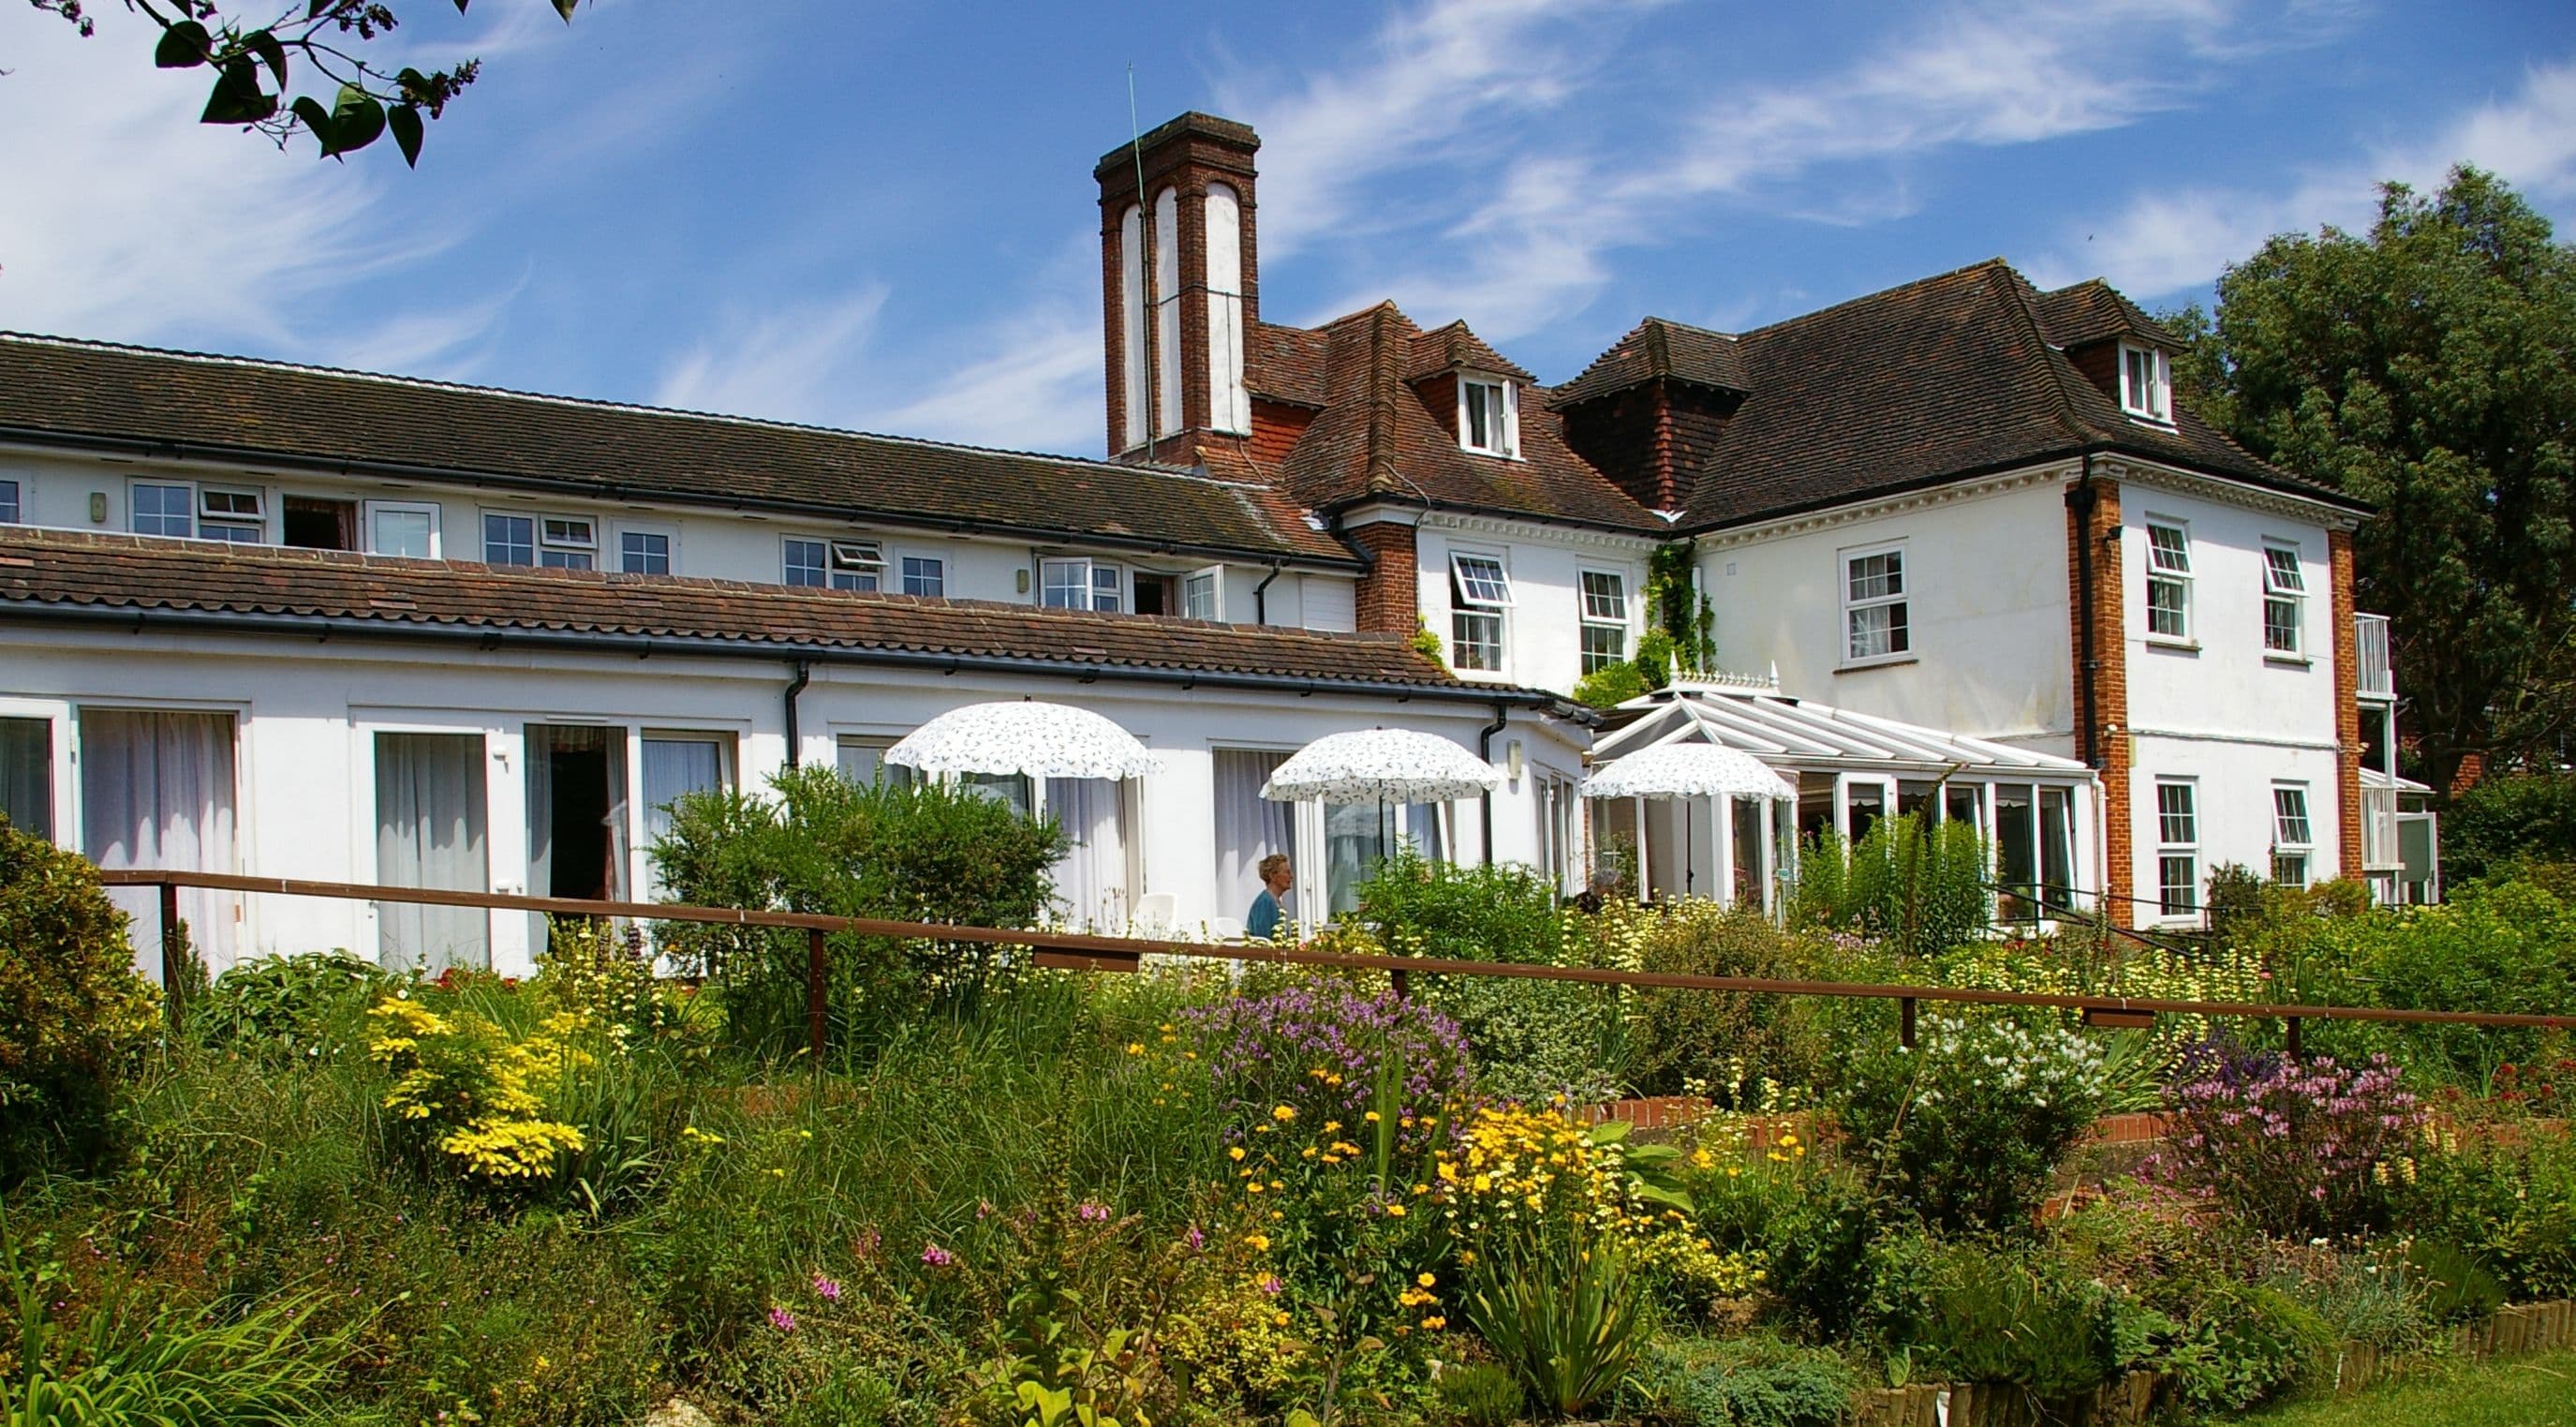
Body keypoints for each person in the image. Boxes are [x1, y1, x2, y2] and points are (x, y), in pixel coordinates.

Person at [1247, 854, 1294, 941]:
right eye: (1287, 872)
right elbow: (1263, 940)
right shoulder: (1264, 903)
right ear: (1272, 876)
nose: (1291, 876)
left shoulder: (1275, 902)